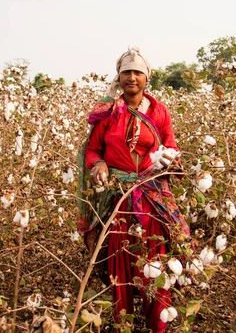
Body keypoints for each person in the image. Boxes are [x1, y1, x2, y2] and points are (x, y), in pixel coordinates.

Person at [77, 47, 190, 332]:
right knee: (120, 265)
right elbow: (92, 150)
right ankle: (122, 324)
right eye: (126, 72)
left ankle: (158, 325)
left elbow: (172, 145)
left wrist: (168, 156)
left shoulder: (159, 111)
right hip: (118, 198)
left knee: (154, 262)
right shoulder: (107, 111)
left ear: (146, 78)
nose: (132, 77)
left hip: (151, 196)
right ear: (119, 76)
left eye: (137, 72)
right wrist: (99, 164)